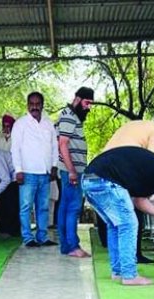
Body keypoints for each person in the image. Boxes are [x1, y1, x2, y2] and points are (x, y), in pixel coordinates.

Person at [83, 147, 154, 285]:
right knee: (129, 224)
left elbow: (139, 201)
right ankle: (129, 275)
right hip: (105, 181)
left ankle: (118, 272)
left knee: (115, 225)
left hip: (89, 180)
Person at [99, 114, 154, 262]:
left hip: (104, 164)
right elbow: (151, 159)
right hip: (121, 165)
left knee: (112, 215)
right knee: (134, 213)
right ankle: (135, 255)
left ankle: (110, 247)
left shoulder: (138, 125)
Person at [11, 91, 59, 247]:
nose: (35, 107)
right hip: (27, 172)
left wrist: (54, 166)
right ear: (27, 105)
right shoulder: (20, 124)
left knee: (43, 207)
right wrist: (18, 170)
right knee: (26, 206)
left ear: (42, 105)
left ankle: (42, 237)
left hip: (45, 173)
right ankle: (27, 238)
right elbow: (15, 148)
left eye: (38, 104)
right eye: (31, 104)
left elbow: (54, 146)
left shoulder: (48, 123)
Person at [56, 87, 94, 258]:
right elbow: (63, 144)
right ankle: (72, 246)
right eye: (87, 103)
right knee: (72, 208)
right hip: (71, 172)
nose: (88, 107)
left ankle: (66, 246)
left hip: (72, 171)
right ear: (77, 99)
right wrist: (72, 171)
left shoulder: (71, 116)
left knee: (65, 207)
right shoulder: (69, 116)